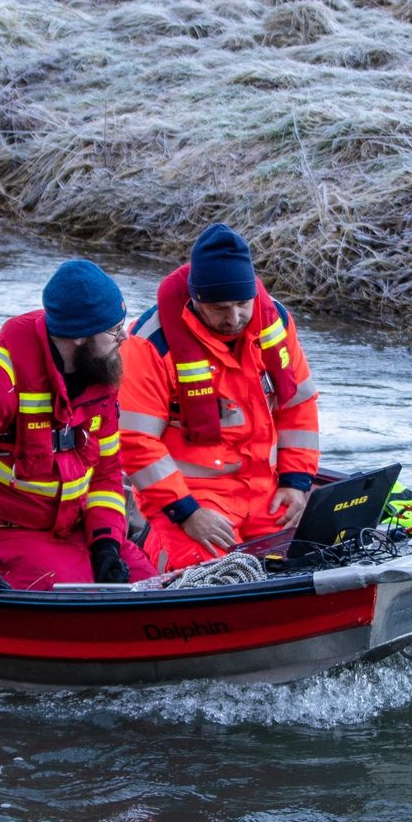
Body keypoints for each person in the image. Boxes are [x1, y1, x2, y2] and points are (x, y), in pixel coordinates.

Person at [0, 259, 155, 594]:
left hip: (71, 527)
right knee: (78, 597)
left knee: (150, 584)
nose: (124, 337)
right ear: (79, 336)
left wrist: (106, 544)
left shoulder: (99, 372)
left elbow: (106, 473)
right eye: (115, 331)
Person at [118, 223, 321, 571]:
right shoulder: (149, 344)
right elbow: (135, 441)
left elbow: (298, 405)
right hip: (190, 497)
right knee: (206, 573)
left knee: (314, 555)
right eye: (219, 308)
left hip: (267, 490)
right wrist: (186, 512)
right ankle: (150, 546)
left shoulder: (276, 322)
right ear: (195, 299)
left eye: (242, 304)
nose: (234, 318)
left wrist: (296, 482)